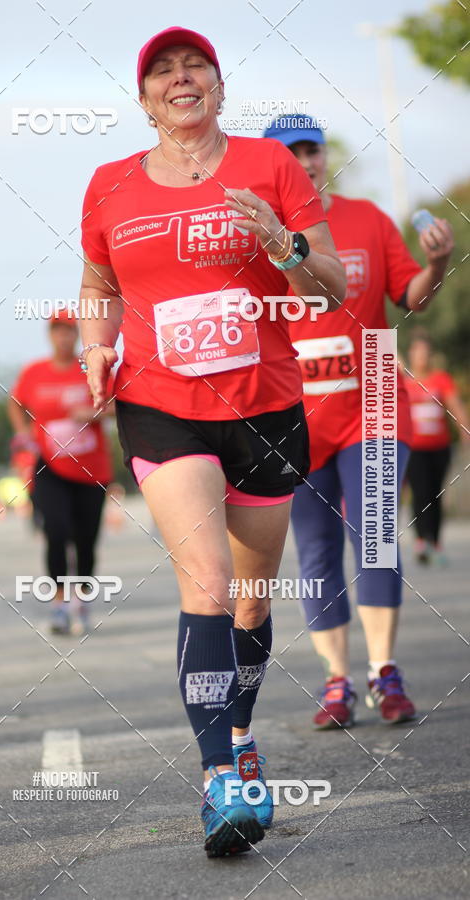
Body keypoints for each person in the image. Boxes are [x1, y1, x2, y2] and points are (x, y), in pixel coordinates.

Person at [78, 27, 346, 857]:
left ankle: (240, 735)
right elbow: (97, 282)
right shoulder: (109, 184)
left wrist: (282, 241)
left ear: (219, 88)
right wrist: (97, 344)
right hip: (161, 404)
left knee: (252, 597)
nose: (180, 78)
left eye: (194, 66)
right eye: (162, 70)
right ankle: (218, 779)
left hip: (265, 406)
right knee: (207, 575)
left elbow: (329, 285)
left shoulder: (272, 166)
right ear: (146, 98)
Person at [263, 115, 454, 729]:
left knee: (374, 539)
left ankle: (384, 672)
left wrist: (439, 264)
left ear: (324, 156)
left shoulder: (367, 219)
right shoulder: (254, 236)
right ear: (274, 167)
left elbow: (412, 295)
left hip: (372, 396)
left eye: (311, 150)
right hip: (294, 410)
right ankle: (337, 682)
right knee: (315, 551)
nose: (305, 161)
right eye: (289, 154)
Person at [8, 308, 114, 636]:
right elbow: (15, 403)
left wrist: (94, 414)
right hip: (49, 466)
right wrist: (23, 432)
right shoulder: (34, 372)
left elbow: (118, 404)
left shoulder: (91, 368)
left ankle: (80, 602)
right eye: (57, 330)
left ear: (77, 334)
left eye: (69, 330)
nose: (63, 336)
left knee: (85, 539)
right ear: (49, 335)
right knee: (55, 531)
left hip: (91, 469)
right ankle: (58, 605)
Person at [404, 332, 470, 564]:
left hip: (439, 448)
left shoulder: (440, 379)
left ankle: (436, 541)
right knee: (420, 492)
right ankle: (422, 540)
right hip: (413, 448)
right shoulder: (403, 381)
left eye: (425, 352)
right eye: (417, 351)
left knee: (436, 494)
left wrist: (465, 431)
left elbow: (455, 406)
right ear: (411, 354)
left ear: (430, 355)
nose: (421, 356)